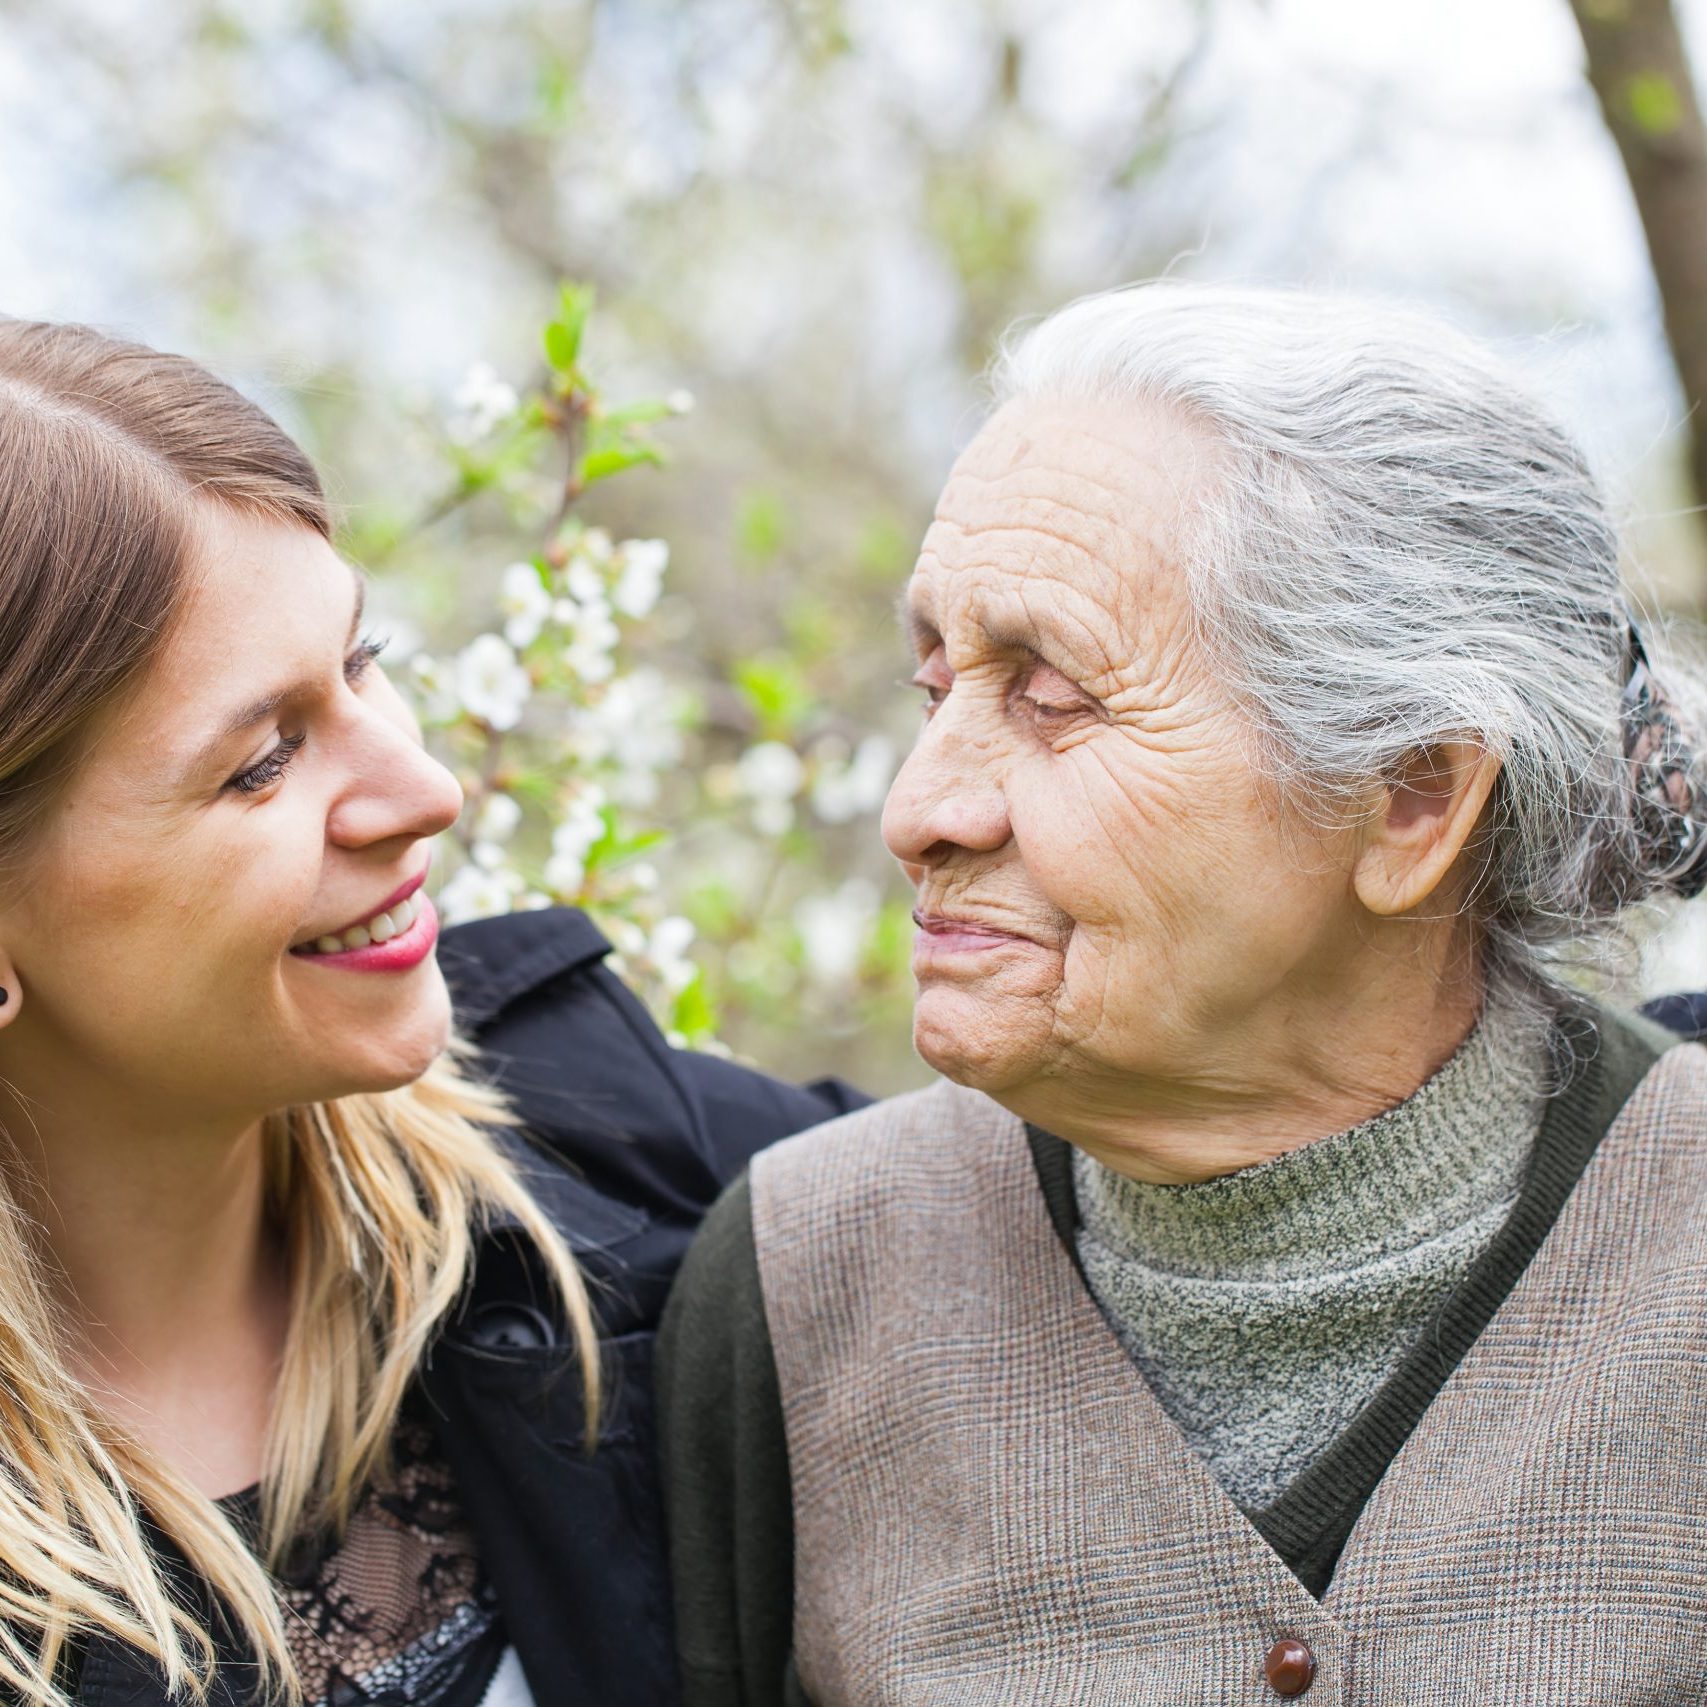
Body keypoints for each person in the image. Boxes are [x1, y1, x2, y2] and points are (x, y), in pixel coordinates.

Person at [658, 284, 1707, 1705]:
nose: (921, 809)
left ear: (1412, 797)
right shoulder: (803, 1282)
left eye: (1053, 697)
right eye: (936, 687)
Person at [0, 318, 861, 1707]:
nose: (426, 791)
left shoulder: (592, 1146)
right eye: (263, 762)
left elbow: (1063, 1212)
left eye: (362, 660)